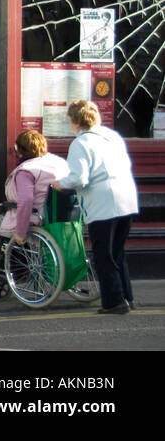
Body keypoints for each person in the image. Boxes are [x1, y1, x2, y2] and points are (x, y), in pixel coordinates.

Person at [52, 100, 139, 314]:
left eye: (69, 119)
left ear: (74, 121)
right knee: (117, 252)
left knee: (103, 254)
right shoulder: (113, 136)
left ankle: (114, 302)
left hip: (103, 204)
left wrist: (59, 184)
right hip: (126, 197)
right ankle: (127, 296)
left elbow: (79, 178)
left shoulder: (80, 143)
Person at [0, 130, 68, 278]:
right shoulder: (59, 163)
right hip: (59, 218)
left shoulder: (26, 171)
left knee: (0, 222)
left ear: (20, 151)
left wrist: (21, 233)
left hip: (36, 218)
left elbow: (26, 200)